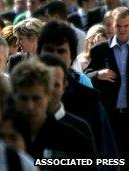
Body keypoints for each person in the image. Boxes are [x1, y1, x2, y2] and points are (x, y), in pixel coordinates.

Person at [37, 21, 118, 163]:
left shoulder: (88, 99)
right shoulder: (24, 95)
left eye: (61, 51)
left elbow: (107, 156)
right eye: (49, 49)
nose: (55, 56)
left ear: (72, 56)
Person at [10, 59, 97, 170]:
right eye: (24, 98)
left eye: (36, 99)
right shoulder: (3, 134)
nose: (30, 106)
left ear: (48, 96)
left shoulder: (73, 138)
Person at [85, 6, 129, 155]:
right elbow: (86, 75)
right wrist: (98, 74)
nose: (122, 30)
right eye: (118, 26)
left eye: (126, 26)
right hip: (110, 115)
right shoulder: (100, 49)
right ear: (112, 26)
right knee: (112, 156)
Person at [40, 53, 97, 156]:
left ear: (64, 85)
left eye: (55, 84)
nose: (49, 90)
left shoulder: (80, 129)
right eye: (45, 83)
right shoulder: (21, 127)